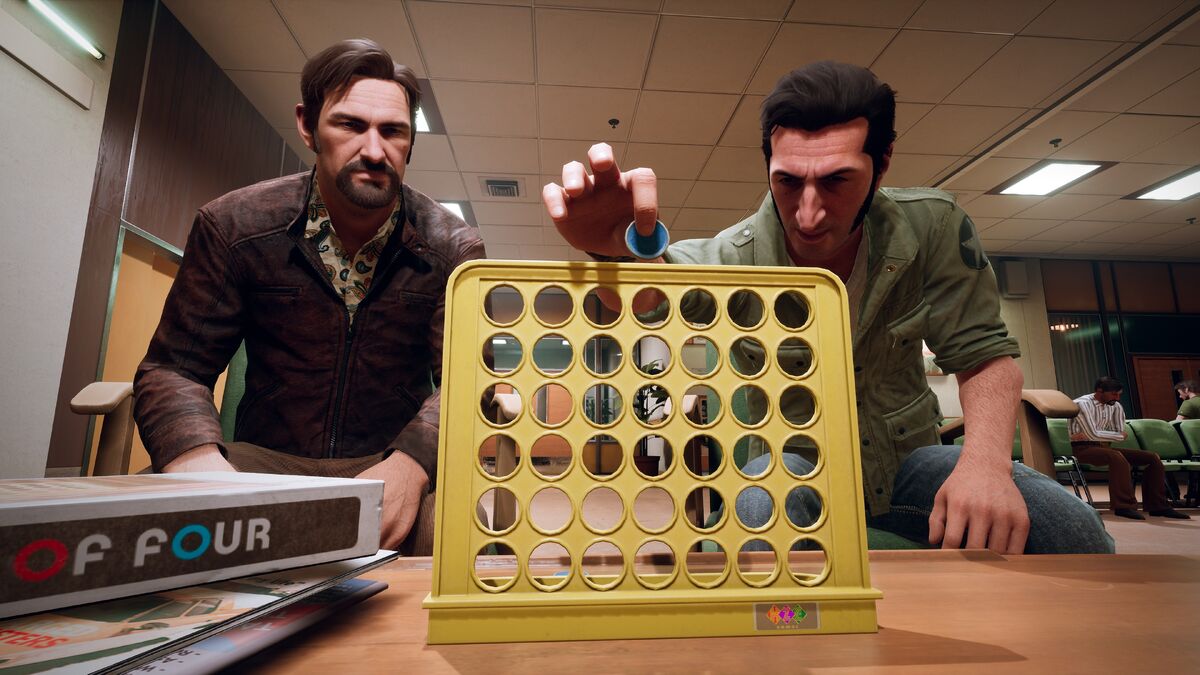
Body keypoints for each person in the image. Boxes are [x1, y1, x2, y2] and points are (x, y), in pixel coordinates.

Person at [543, 61, 1114, 553]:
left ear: (883, 162)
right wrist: (613, 248)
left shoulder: (933, 227)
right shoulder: (730, 256)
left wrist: (984, 465)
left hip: (907, 464)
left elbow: (985, 357)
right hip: (782, 464)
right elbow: (653, 293)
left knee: (1074, 533)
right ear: (767, 165)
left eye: (837, 180)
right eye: (788, 182)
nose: (809, 213)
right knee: (752, 542)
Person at [134, 39, 486, 551]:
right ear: (307, 125)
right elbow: (174, 368)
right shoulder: (233, 225)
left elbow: (468, 380)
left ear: (410, 141)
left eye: (393, 132)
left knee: (471, 534)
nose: (373, 150)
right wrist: (197, 463)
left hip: (389, 459)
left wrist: (413, 464)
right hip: (265, 461)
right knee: (140, 523)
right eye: (349, 125)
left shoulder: (453, 247)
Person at [1069, 377, 1189, 520]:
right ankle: (1123, 506)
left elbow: (1121, 433)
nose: (1117, 398)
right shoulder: (1081, 404)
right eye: (1114, 394)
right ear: (1099, 391)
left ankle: (1158, 506)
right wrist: (1107, 435)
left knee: (1152, 458)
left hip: (1107, 447)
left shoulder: (1115, 405)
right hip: (1083, 449)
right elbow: (1094, 434)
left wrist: (1100, 435)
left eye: (1119, 394)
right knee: (1117, 457)